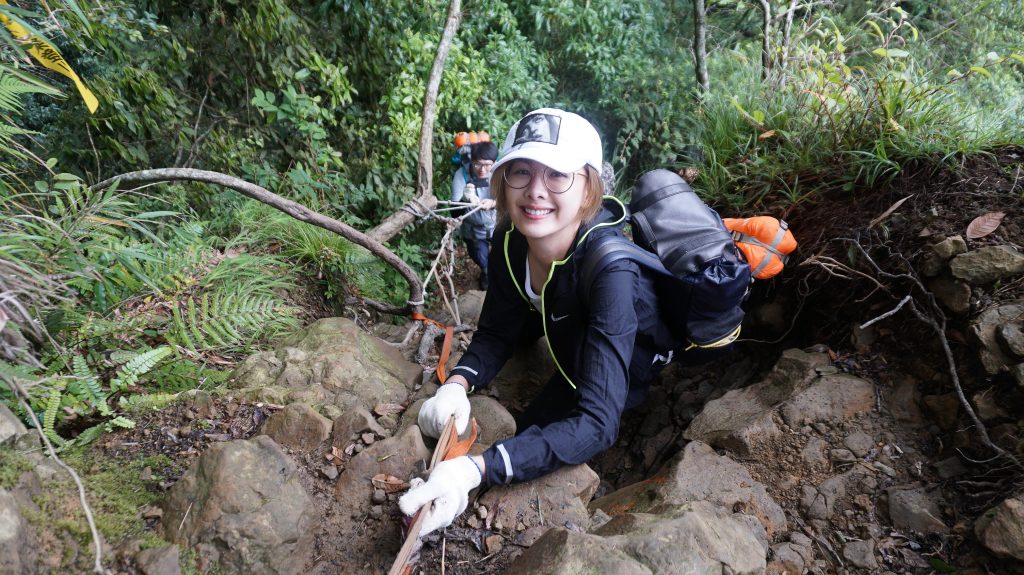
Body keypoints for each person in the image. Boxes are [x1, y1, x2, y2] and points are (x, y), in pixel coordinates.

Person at [399, 108, 684, 536]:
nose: (535, 191)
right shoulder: (510, 240)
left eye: (557, 175)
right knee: (529, 433)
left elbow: (597, 422)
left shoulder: (610, 270)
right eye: (521, 172)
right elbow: (497, 330)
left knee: (535, 432)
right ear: (502, 179)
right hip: (563, 319)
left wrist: (476, 470)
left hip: (627, 356)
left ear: (588, 187)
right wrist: (457, 384)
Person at [451, 140, 499, 289]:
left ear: (494, 162)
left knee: (502, 251)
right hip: (473, 228)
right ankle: (486, 271)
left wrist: (494, 203)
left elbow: (511, 198)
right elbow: (454, 211)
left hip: (497, 223)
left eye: (487, 165)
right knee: (479, 255)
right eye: (477, 164)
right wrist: (463, 200)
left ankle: (497, 272)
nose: (482, 170)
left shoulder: (499, 172)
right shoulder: (462, 175)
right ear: (471, 161)